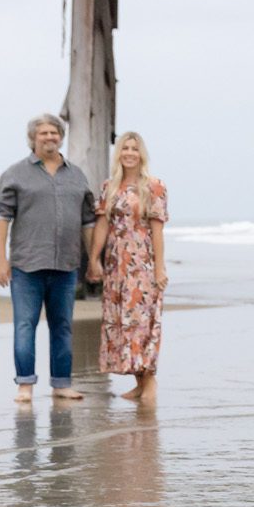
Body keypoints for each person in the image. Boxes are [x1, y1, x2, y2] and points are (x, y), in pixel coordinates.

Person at [0, 114, 97, 404]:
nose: (49, 137)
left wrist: (95, 261)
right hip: (27, 265)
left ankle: (61, 384)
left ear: (61, 136)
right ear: (33, 138)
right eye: (43, 133)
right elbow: (2, 218)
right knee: (25, 325)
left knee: (62, 327)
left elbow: (88, 221)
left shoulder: (76, 175)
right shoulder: (15, 174)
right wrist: (1, 261)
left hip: (66, 265)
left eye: (54, 132)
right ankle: (24, 385)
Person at [87, 131, 169, 406]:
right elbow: (102, 225)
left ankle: (149, 382)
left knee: (141, 324)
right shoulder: (109, 187)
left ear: (141, 153)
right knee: (122, 324)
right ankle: (138, 382)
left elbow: (157, 231)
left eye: (134, 148)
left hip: (142, 266)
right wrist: (94, 258)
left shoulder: (154, 187)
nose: (130, 153)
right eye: (125, 148)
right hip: (116, 266)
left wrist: (160, 268)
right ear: (119, 153)